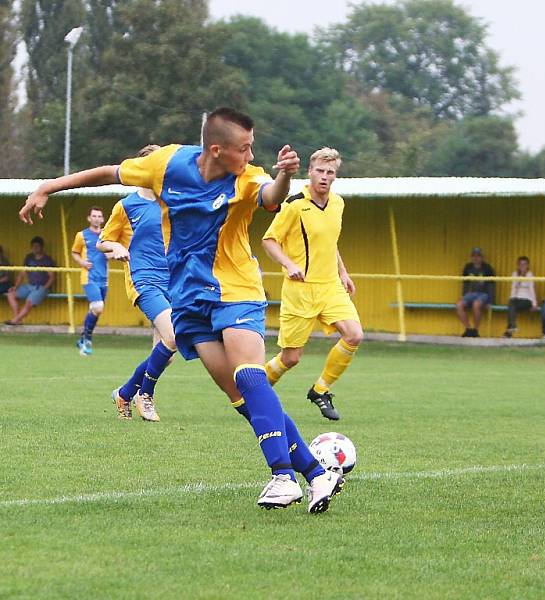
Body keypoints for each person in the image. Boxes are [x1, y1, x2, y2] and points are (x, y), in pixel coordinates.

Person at [19, 107, 343, 514]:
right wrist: (48, 185)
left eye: (252, 147)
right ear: (216, 149)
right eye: (244, 148)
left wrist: (283, 175)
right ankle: (317, 474)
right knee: (240, 396)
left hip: (236, 290)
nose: (250, 155)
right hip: (188, 299)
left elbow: (271, 197)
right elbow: (108, 172)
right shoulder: (168, 162)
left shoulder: (248, 177)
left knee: (249, 374)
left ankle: (282, 476)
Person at [262, 147, 362, 421]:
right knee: (291, 358)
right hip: (300, 290)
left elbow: (330, 243)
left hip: (330, 285)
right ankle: (255, 392)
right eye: (320, 171)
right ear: (310, 172)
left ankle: (321, 390)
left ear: (335, 176)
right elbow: (269, 240)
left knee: (354, 335)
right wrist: (289, 264)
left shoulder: (338, 203)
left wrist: (343, 272)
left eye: (330, 172)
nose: (324, 177)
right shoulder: (295, 204)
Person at [98, 144, 173, 422]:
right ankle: (146, 394)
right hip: (144, 280)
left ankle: (125, 393)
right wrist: (115, 247)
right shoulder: (127, 206)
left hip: (173, 281)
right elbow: (103, 240)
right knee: (174, 337)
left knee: (167, 352)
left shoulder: (171, 203)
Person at [71, 206, 108, 355]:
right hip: (89, 277)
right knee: (98, 307)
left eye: (99, 216)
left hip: (104, 279)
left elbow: (112, 251)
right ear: (89, 218)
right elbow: (74, 252)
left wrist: (111, 254)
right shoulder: (82, 235)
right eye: (94, 216)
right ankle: (87, 339)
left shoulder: (107, 235)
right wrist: (81, 262)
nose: (97, 218)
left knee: (95, 310)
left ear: (103, 219)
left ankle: (82, 339)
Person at [5, 236, 55, 325]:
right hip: (29, 286)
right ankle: (18, 319)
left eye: (37, 246)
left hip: (41, 287)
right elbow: (22, 274)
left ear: (42, 247)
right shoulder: (29, 258)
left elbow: (52, 277)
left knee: (29, 302)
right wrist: (15, 287)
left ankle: (15, 320)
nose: (35, 248)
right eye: (33, 246)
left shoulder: (47, 260)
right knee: (10, 294)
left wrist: (44, 288)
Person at [455, 247, 495, 337]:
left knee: (476, 305)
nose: (476, 258)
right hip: (470, 294)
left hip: (483, 294)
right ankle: (468, 329)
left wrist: (490, 301)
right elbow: (465, 283)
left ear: (482, 257)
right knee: (459, 305)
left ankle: (476, 330)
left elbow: (491, 285)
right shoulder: (468, 267)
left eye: (478, 256)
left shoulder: (487, 268)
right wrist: (463, 296)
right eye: (474, 256)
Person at [503, 255, 537, 338]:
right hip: (516, 299)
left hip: (527, 300)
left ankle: (509, 330)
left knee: (511, 307)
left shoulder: (530, 275)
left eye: (525, 264)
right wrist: (520, 276)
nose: (523, 266)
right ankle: (511, 328)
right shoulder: (514, 274)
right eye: (521, 264)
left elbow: (532, 289)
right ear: (518, 265)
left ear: (527, 265)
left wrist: (534, 303)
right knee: (511, 304)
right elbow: (513, 288)